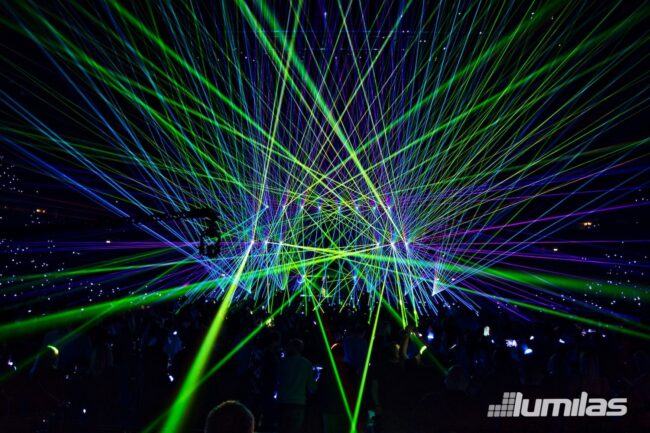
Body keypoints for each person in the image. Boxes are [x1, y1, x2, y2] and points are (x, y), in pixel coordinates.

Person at [277, 338, 317, 433]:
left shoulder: (283, 363)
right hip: (298, 402)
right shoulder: (306, 363)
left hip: (283, 401)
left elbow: (277, 380)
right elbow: (312, 387)